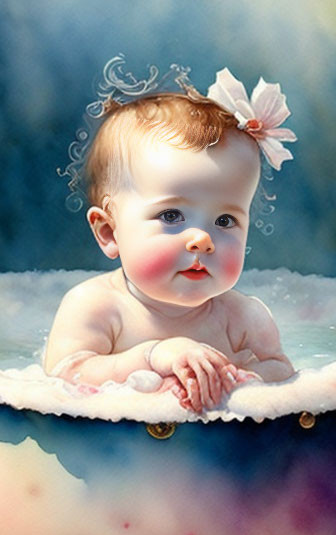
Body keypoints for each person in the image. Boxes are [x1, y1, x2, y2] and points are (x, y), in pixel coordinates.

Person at [45, 67, 296, 412]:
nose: (202, 241)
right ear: (108, 231)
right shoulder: (97, 307)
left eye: (225, 220)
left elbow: (283, 371)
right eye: (171, 216)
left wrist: (238, 378)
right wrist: (153, 356)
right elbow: (63, 377)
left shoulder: (244, 318)